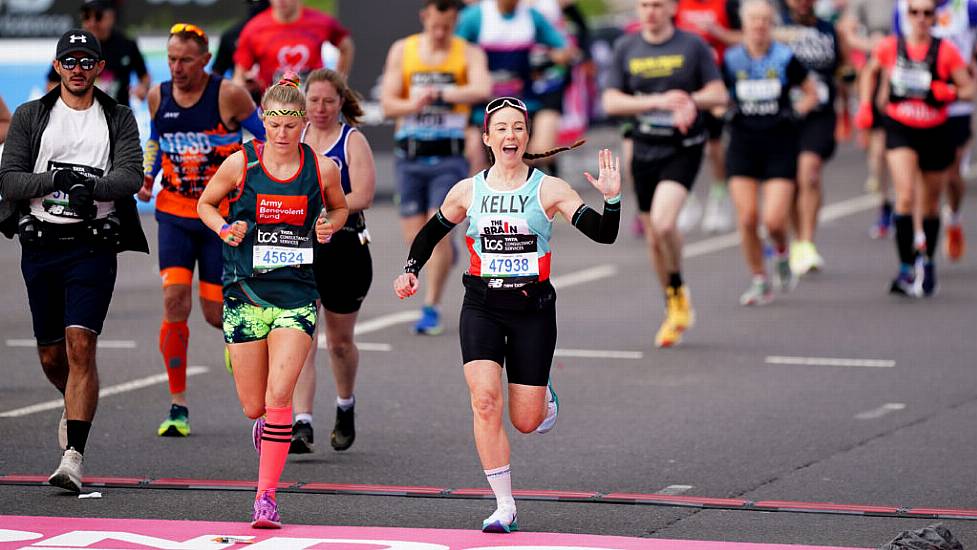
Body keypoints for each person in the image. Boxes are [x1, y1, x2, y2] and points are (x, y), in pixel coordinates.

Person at [394, 96, 620, 533]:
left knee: (526, 420)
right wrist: (410, 270)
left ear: (527, 135)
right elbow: (431, 231)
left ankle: (544, 396)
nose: (510, 136)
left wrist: (611, 200)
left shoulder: (548, 188)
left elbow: (604, 234)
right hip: (481, 304)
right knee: (483, 400)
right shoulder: (468, 190)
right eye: (501, 128)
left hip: (532, 308)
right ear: (486, 138)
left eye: (518, 127)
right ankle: (503, 504)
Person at [197, 74, 348, 528]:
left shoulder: (321, 169)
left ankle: (266, 498)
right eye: (273, 123)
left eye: (290, 123)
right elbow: (207, 204)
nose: (281, 132)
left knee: (280, 395)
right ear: (262, 120)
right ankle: (248, 382)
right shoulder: (240, 163)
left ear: (303, 123)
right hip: (244, 292)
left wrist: (329, 226)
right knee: (254, 406)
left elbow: (339, 207)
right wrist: (225, 229)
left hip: (296, 296)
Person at [0, 29, 148, 492]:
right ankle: (72, 399)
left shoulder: (118, 117)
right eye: (70, 61)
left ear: (99, 68)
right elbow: (10, 179)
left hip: (93, 245)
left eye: (87, 61)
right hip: (41, 245)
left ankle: (73, 456)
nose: (78, 68)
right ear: (58, 66)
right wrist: (55, 181)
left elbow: (131, 176)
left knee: (81, 344)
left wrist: (91, 190)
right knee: (51, 356)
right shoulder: (31, 115)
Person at [138, 23, 266, 437]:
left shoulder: (228, 94)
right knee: (175, 303)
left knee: (216, 313)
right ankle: (177, 406)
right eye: (171, 59)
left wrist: (263, 188)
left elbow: (268, 140)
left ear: (206, 60)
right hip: (174, 212)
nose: (176, 67)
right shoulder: (159, 94)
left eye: (185, 60)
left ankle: (238, 342)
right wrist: (147, 174)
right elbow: (157, 140)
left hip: (220, 219)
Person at [603, 0, 728, 348]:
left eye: (658, 4)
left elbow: (718, 93)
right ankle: (674, 298)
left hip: (683, 148)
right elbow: (611, 101)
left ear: (672, 8)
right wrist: (656, 103)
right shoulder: (627, 46)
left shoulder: (692, 44)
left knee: (664, 222)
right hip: (644, 150)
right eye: (644, 5)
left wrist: (688, 100)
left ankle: (676, 289)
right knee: (656, 237)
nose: (650, 11)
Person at [380, 0, 492, 335]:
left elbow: (483, 88)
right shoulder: (404, 50)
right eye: (436, 26)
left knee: (437, 229)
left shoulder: (468, 52)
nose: (441, 33)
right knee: (415, 236)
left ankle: (431, 305)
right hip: (411, 155)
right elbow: (387, 103)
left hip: (449, 155)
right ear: (424, 17)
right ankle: (443, 258)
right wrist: (412, 103)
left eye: (448, 26)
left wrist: (443, 91)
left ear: (455, 20)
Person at [856, 0, 974, 296]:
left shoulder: (945, 51)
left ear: (935, 18)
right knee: (906, 196)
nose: (920, 19)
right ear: (905, 16)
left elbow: (969, 88)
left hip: (936, 129)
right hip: (901, 127)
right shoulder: (890, 46)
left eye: (926, 13)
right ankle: (906, 268)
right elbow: (869, 71)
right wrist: (866, 106)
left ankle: (929, 261)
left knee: (932, 203)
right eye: (914, 13)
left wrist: (948, 92)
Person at [289, 69, 376, 454]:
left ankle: (345, 405)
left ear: (341, 102)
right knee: (302, 337)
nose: (320, 108)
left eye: (328, 101)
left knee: (338, 342)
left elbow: (364, 194)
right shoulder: (295, 138)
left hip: (343, 246)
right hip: (301, 246)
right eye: (313, 100)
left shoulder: (352, 141)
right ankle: (301, 422)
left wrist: (325, 205)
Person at [722, 0, 819, 305]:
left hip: (779, 142)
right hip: (743, 142)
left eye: (765, 20)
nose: (760, 25)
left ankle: (781, 251)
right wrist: (718, 110)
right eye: (754, 20)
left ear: (772, 24)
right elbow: (719, 95)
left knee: (774, 221)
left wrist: (798, 111)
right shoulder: (732, 59)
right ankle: (759, 279)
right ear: (744, 24)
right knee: (748, 218)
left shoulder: (785, 57)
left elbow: (812, 93)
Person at [894, 0, 977, 262]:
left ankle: (952, 217)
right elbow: (897, 48)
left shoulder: (968, 7)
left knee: (951, 177)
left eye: (926, 13)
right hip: (916, 105)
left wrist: (960, 83)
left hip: (955, 106)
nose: (921, 17)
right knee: (913, 182)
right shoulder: (903, 5)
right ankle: (919, 241)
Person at [455, 0, 577, 174]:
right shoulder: (474, 17)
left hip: (526, 102)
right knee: (477, 160)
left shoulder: (532, 17)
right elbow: (453, 53)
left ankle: (536, 185)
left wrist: (551, 58)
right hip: (484, 107)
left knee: (533, 153)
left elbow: (564, 48)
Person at [776, 0, 846, 275]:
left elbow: (843, 68)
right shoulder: (777, 29)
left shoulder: (830, 31)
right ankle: (797, 241)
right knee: (792, 181)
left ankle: (806, 241)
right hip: (786, 114)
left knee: (810, 172)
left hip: (820, 114)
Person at [675, 0, 743, 233]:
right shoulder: (678, 5)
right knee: (680, 141)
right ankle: (687, 198)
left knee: (714, 145)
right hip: (684, 81)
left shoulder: (726, 4)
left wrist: (719, 33)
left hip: (716, 80)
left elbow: (744, 38)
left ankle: (719, 195)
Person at [839, 0, 896, 238]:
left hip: (908, 72)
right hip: (875, 74)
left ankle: (910, 208)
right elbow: (846, 31)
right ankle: (885, 205)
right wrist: (871, 45)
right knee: (879, 151)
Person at [233, 0, 355, 94]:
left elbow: (346, 46)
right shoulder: (254, 28)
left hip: (313, 108)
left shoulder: (321, 22)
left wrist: (339, 82)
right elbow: (239, 77)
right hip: (273, 112)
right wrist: (245, 86)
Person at [45, 0, 150, 107]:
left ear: (111, 16)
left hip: (116, 115)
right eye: (86, 16)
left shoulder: (127, 45)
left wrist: (142, 88)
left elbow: (144, 76)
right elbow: (51, 83)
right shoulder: (71, 45)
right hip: (80, 114)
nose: (92, 22)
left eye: (98, 16)